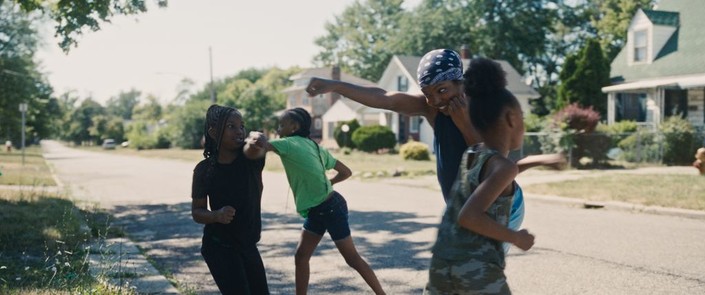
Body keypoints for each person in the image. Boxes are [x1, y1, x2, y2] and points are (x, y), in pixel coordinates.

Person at [305, 48, 564, 249]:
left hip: (495, 207)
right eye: (428, 93)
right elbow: (385, 99)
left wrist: (463, 123)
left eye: (442, 90)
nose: (436, 100)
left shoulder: (484, 110)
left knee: (476, 272)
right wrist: (336, 86)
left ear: (460, 82)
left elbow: (492, 165)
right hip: (464, 205)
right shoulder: (431, 108)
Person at [245, 108, 386, 295]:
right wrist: (329, 183)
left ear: (294, 127)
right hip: (322, 208)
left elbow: (262, 145)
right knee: (301, 257)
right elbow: (346, 172)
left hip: (329, 209)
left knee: (351, 258)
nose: (278, 128)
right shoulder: (316, 147)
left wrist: (254, 135)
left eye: (281, 125)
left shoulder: (288, 143)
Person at [425, 57, 535, 295]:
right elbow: (470, 216)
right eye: (522, 119)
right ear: (511, 120)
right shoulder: (502, 166)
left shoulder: (471, 154)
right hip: (474, 269)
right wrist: (516, 238)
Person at [190, 104, 269, 294]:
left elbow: (254, 150)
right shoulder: (204, 170)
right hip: (219, 246)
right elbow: (197, 212)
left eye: (241, 126)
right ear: (214, 132)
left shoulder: (249, 160)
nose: (239, 131)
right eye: (231, 126)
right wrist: (216, 215)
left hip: (247, 245)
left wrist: (256, 140)